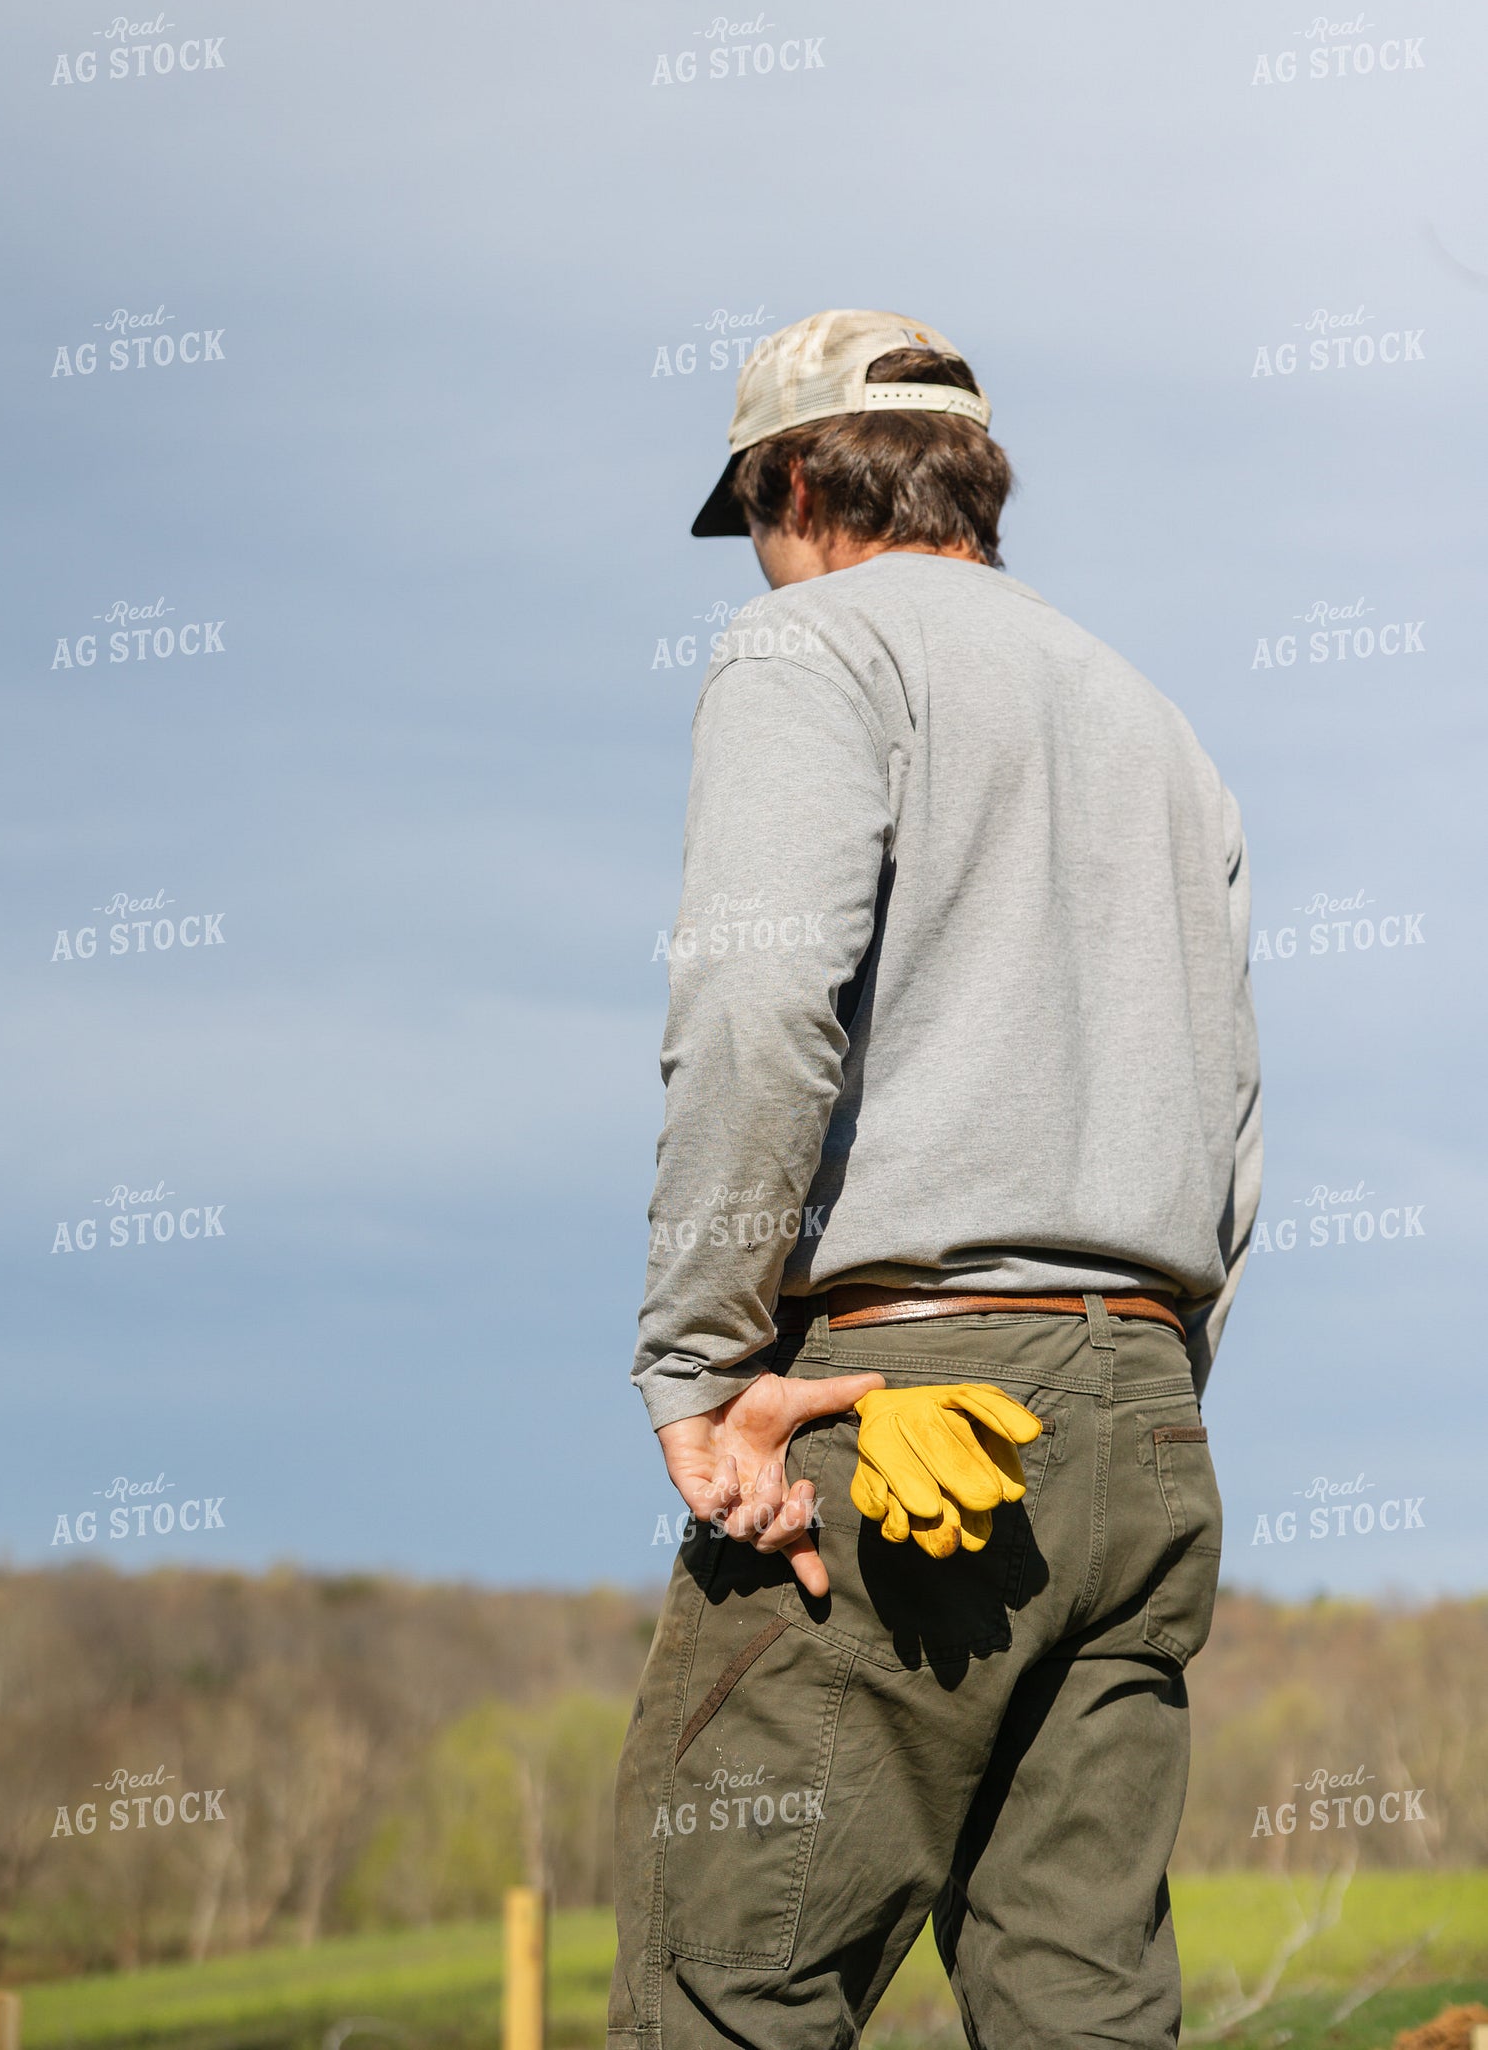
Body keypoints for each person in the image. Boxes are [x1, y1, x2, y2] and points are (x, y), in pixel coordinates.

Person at [609, 309, 1261, 2050]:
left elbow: (757, 1005)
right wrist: (1142, 1389)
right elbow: (1238, 1133)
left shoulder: (810, 649)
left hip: (902, 1415)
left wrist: (700, 1363)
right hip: (1147, 1417)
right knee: (1085, 2007)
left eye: (752, 516)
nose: (759, 562)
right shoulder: (1157, 724)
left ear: (799, 479)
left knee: (723, 1983)